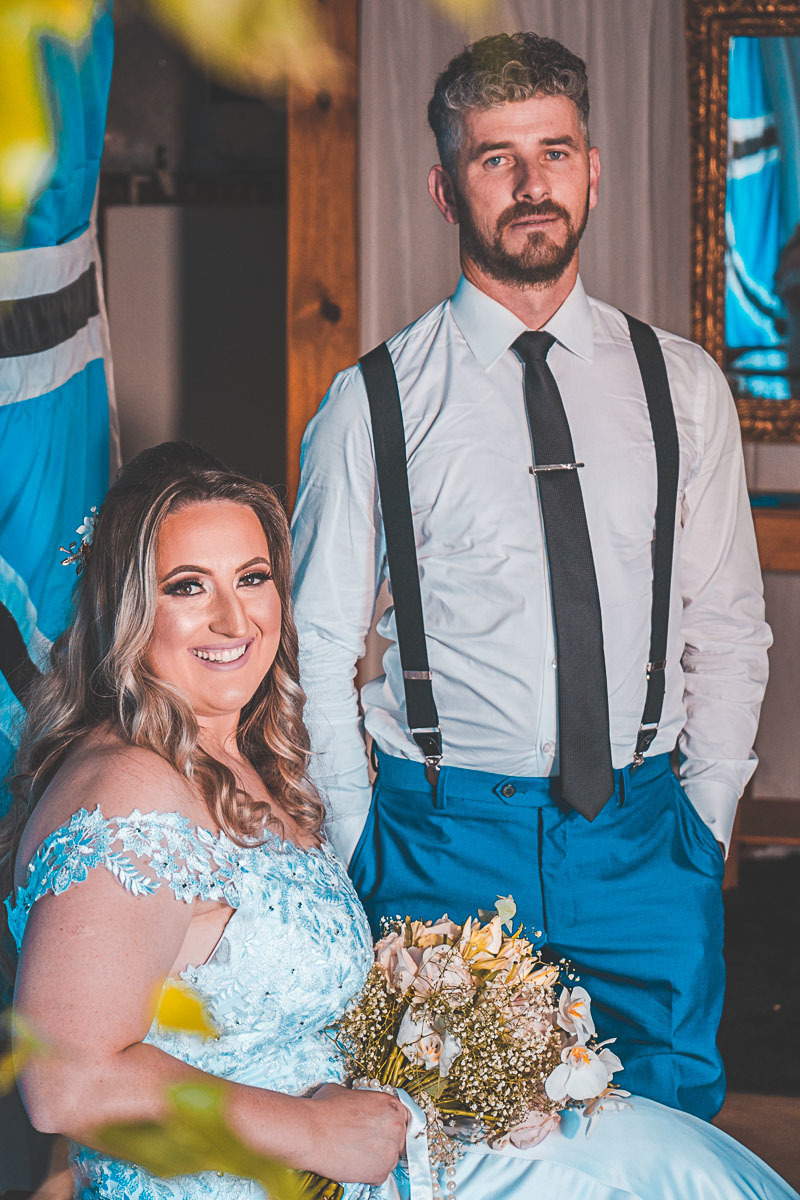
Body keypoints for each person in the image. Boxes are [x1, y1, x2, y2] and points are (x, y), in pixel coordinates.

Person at [2, 442, 796, 1200]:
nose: (233, 619)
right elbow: (68, 1080)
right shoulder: (128, 793)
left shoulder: (235, 758)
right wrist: (311, 1131)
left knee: (657, 1161)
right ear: (125, 607)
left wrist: (477, 1080)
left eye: (251, 578)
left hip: (354, 1161)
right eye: (187, 586)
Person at [290, 31, 772, 1123]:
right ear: (442, 187)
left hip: (646, 844)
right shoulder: (371, 402)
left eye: (553, 151)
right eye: (493, 157)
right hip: (442, 843)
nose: (529, 183)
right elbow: (315, 647)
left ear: (591, 169)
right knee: (446, 1156)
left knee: (662, 1154)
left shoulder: (681, 385)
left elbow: (726, 624)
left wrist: (703, 815)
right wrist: (360, 834)